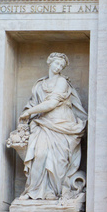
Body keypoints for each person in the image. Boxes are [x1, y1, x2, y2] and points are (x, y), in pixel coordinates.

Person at [15, 53, 87, 201]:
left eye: (61, 66)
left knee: (57, 159)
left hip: (62, 124)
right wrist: (28, 113)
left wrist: (29, 112)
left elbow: (52, 103)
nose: (58, 67)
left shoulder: (62, 82)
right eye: (57, 63)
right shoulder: (40, 84)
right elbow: (34, 102)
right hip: (43, 124)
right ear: (50, 62)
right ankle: (34, 191)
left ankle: (53, 192)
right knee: (39, 155)